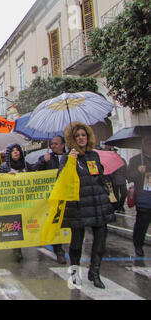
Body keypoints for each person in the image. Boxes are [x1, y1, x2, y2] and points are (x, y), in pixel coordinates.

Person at [60, 122, 115, 289]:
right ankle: (75, 274)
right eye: (77, 136)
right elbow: (61, 179)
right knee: (76, 243)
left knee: (100, 240)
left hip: (97, 203)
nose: (81, 138)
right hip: (79, 205)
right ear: (73, 139)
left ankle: (95, 272)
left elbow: (99, 174)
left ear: (88, 136)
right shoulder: (68, 157)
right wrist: (71, 161)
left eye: (83, 135)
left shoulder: (94, 155)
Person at [32, 135, 67, 265]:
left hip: (66, 196)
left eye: (56, 144)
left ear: (63, 145)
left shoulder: (69, 157)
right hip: (51, 197)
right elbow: (34, 171)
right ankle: (59, 250)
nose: (53, 146)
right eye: (52, 144)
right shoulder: (46, 158)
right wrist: (43, 162)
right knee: (54, 222)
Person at [0, 143, 33, 263]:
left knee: (24, 223)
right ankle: (16, 249)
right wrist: (6, 177)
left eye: (17, 150)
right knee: (15, 224)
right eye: (13, 150)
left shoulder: (26, 165)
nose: (15, 152)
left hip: (25, 200)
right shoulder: (4, 166)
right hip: (11, 202)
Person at [126, 135, 151, 257]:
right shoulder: (136, 160)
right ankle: (138, 245)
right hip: (144, 198)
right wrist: (138, 172)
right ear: (143, 145)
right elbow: (129, 177)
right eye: (147, 143)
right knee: (142, 224)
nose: (149, 145)